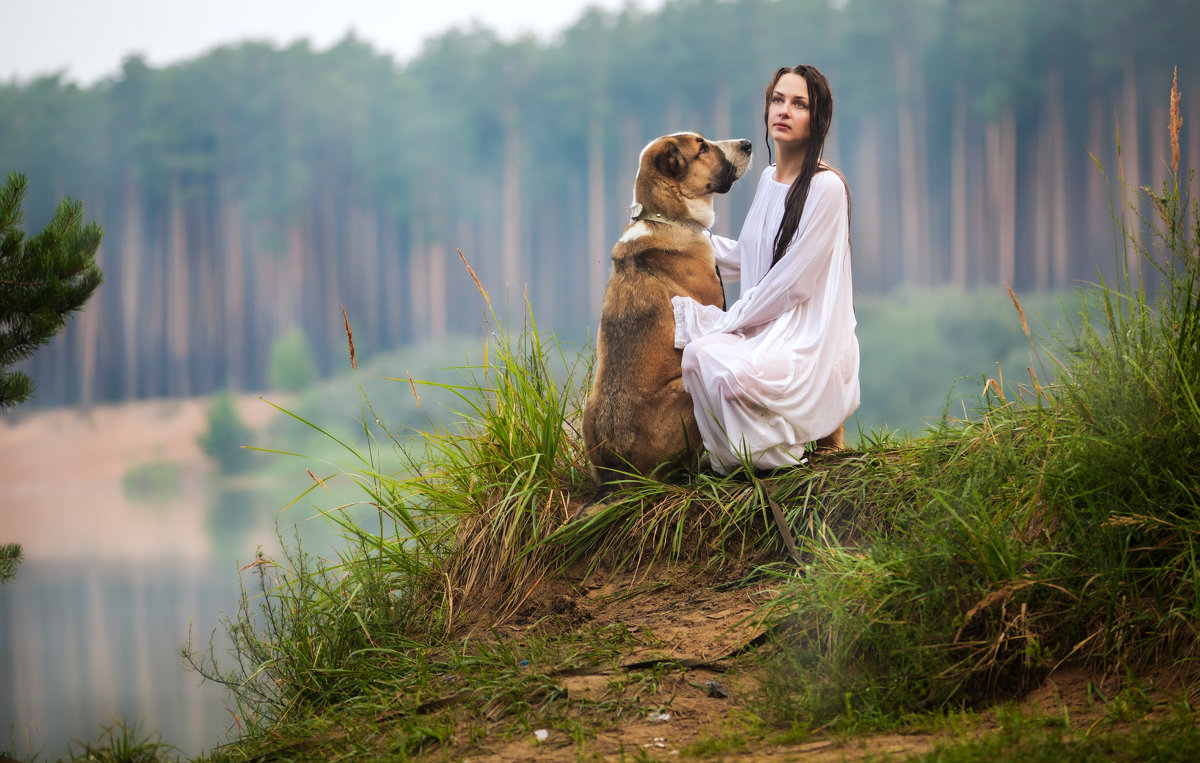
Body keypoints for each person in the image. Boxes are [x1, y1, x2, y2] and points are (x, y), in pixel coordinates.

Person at [671, 64, 859, 475]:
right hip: (763, 330)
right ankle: (734, 462)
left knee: (729, 373)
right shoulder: (770, 178)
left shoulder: (826, 188)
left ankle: (785, 458)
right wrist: (674, 233)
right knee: (698, 357)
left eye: (799, 104)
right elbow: (749, 257)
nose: (784, 110)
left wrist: (726, 322)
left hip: (805, 342)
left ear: (818, 118)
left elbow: (793, 283)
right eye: (778, 100)